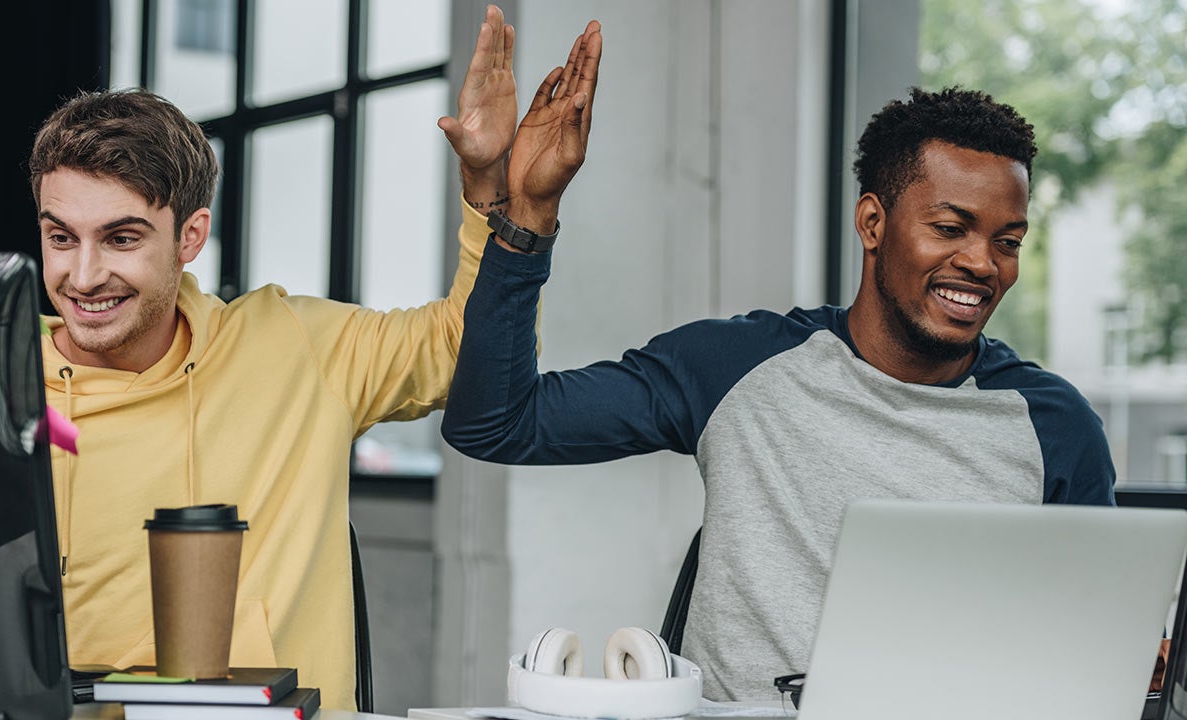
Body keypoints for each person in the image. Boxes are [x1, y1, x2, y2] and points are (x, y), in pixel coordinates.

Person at [441, 86, 1116, 701]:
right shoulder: (737, 366)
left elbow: (1096, 641)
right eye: (949, 228)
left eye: (1009, 241)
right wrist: (525, 220)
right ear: (873, 223)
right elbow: (497, 424)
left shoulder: (1055, 426)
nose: (982, 263)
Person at [28, 5, 601, 709]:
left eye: (120, 239)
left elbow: (464, 350)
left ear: (190, 237)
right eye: (61, 238)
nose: (83, 277)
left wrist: (499, 198)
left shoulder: (291, 346)